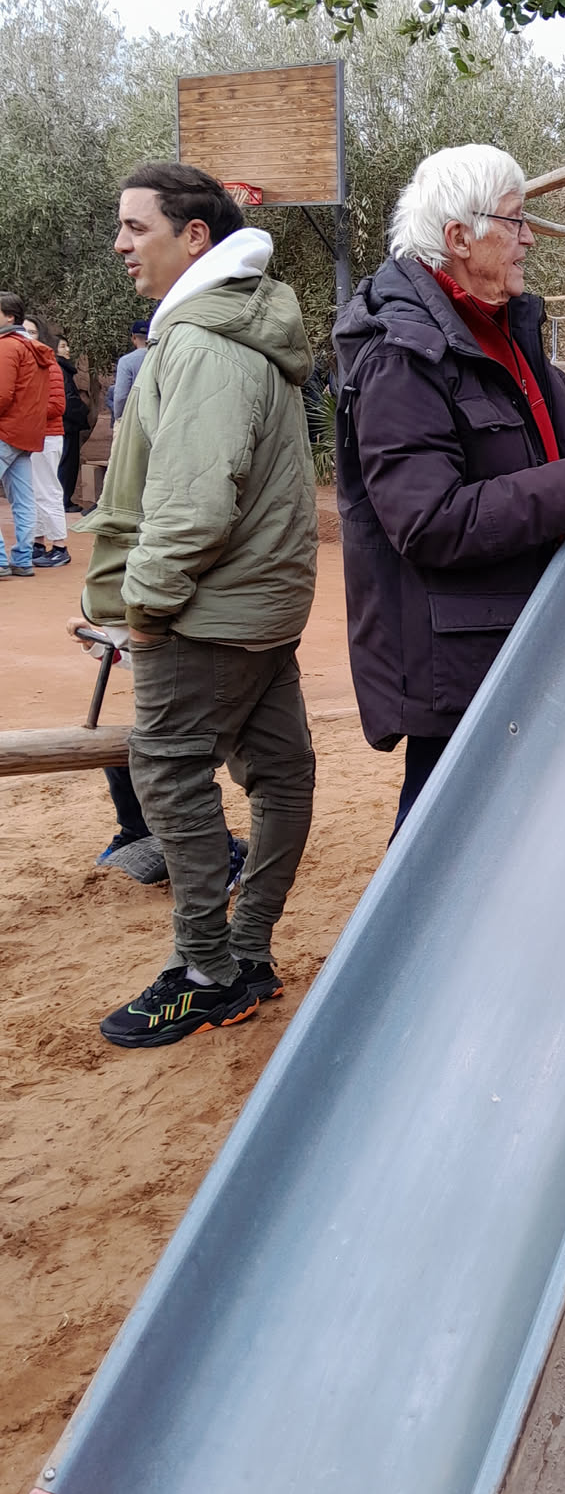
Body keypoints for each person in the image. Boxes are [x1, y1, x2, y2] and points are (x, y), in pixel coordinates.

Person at [333, 142, 565, 834]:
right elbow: (427, 521)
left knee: (511, 831)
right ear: (459, 238)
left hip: (513, 632)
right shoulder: (402, 358)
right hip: (460, 658)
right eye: (514, 220)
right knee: (444, 843)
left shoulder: (493, 328)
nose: (529, 236)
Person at [76, 162, 319, 1049]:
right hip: (263, 607)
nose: (120, 243)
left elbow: (194, 504)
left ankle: (209, 971)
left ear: (195, 237)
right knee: (283, 773)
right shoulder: (244, 329)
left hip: (206, 615)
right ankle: (246, 953)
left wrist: (141, 609)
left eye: (135, 226)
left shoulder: (203, 345)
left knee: (168, 770)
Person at [0, 294, 45, 579]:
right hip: (27, 433)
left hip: (5, 430)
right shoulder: (34, 347)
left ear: (9, 317)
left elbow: (2, 394)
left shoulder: (6, 346)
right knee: (24, 500)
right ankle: (23, 558)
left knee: (24, 499)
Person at [21, 313, 69, 567]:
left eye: (32, 332)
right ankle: (38, 543)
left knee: (48, 490)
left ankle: (60, 546)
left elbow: (57, 405)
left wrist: (24, 411)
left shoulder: (50, 365)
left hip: (47, 436)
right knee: (31, 492)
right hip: (28, 437)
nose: (27, 337)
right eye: (23, 331)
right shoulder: (23, 365)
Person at [55, 336, 90, 512]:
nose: (67, 349)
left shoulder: (64, 369)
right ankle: (63, 501)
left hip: (65, 424)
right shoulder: (61, 370)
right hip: (67, 425)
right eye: (63, 346)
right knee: (66, 463)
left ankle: (63, 499)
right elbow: (68, 399)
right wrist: (84, 410)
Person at [111, 318, 150, 422]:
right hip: (157, 419)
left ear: (133, 337)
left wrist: (118, 416)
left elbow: (121, 395)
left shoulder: (126, 361)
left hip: (133, 419)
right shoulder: (161, 358)